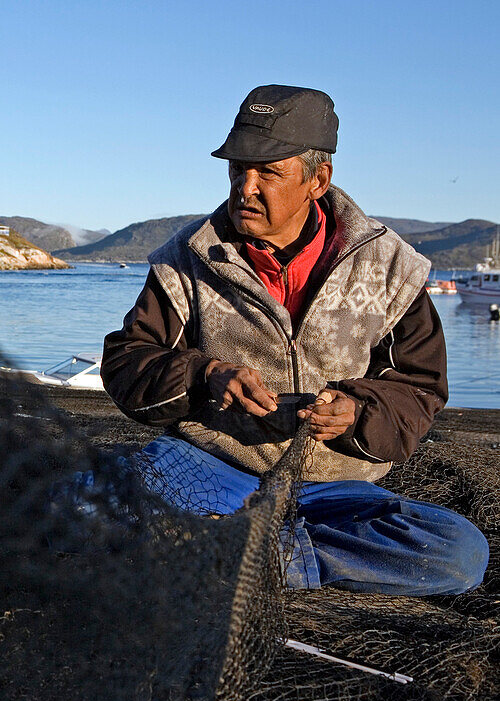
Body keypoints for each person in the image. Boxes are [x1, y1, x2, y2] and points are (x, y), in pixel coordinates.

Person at [98, 85, 488, 596]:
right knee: (78, 505)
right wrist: (205, 376)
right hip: (212, 465)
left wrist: (357, 412)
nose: (245, 187)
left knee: (457, 553)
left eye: (268, 172)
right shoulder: (187, 256)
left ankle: (272, 555)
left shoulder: (393, 267)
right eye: (238, 168)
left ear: (317, 180)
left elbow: (420, 388)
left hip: (336, 487)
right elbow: (129, 360)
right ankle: (252, 549)